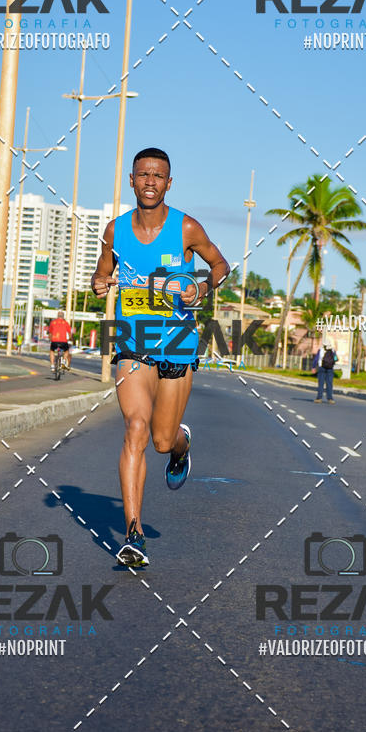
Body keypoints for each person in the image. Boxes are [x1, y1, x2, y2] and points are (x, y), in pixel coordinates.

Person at [91, 147, 229, 567]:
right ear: (131, 180)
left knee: (161, 439)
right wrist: (100, 282)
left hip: (178, 345)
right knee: (136, 427)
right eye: (143, 174)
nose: (150, 181)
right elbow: (102, 271)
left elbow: (220, 264)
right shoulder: (115, 231)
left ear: (169, 183)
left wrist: (200, 288)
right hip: (133, 343)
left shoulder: (186, 227)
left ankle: (182, 446)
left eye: (158, 175)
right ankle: (133, 535)